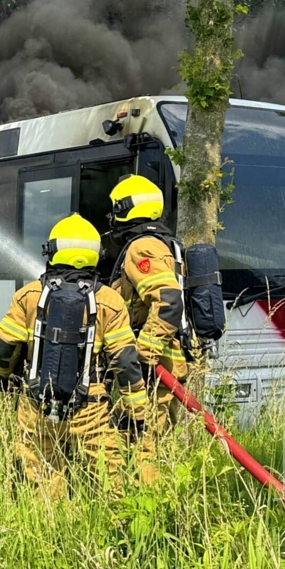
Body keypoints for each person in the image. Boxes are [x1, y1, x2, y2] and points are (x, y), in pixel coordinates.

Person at [0, 214, 148, 499]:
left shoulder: (29, 295)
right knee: (112, 480)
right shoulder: (110, 301)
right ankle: (120, 533)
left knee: (41, 476)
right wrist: (137, 413)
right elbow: (125, 363)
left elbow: (2, 346)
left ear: (52, 252)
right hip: (91, 408)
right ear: (95, 255)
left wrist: (6, 378)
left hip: (36, 405)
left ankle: (50, 532)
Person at [107, 175, 187, 481]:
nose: (112, 217)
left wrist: (144, 354)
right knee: (132, 437)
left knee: (145, 447)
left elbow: (168, 301)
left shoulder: (142, 248)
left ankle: (146, 516)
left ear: (127, 209)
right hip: (162, 366)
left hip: (155, 370)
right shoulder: (165, 244)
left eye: (116, 209)